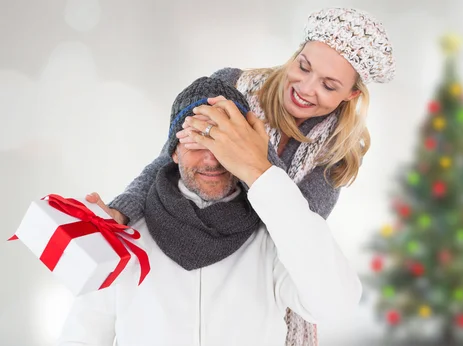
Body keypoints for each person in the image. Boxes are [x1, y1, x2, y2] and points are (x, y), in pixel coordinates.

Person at [94, 7, 396, 345]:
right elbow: (169, 160)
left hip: (255, 290)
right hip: (176, 257)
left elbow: (295, 237)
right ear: (296, 54)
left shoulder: (334, 158)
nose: (306, 88)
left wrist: (255, 157)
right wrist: (120, 212)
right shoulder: (230, 85)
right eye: (304, 67)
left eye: (328, 85)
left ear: (351, 95)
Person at [58, 77, 362, 346]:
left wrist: (261, 173)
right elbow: (81, 334)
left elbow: (335, 303)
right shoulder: (126, 236)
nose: (211, 160)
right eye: (196, 142)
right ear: (173, 151)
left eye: (222, 143)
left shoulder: (273, 236)